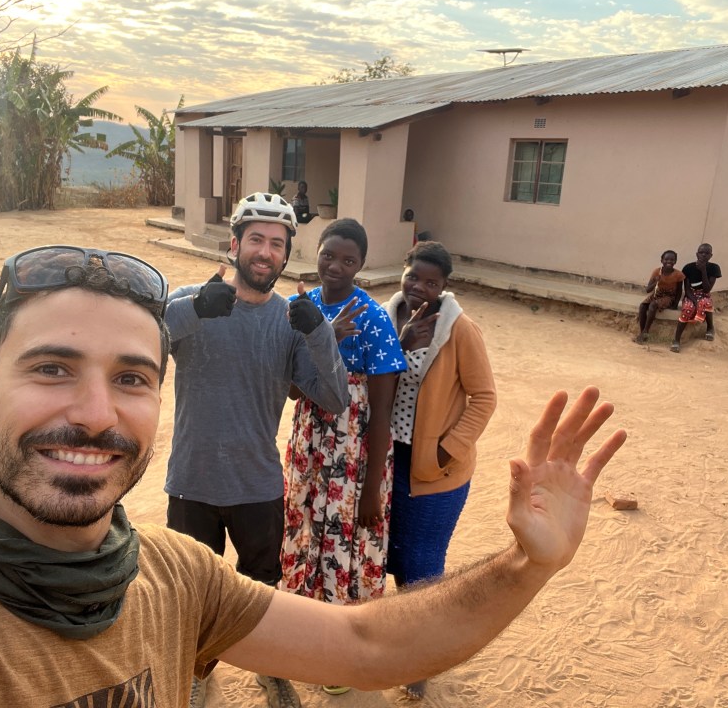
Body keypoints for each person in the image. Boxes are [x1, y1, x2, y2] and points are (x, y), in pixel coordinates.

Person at [0, 242, 627, 706]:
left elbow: (364, 641)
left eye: (131, 378)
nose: (92, 412)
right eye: (51, 368)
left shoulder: (174, 581)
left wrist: (528, 565)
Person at [164, 192, 349, 707]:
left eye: (276, 244)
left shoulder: (291, 322)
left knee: (262, 590)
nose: (265, 252)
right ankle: (199, 668)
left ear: (286, 256)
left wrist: (320, 335)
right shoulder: (191, 300)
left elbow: (334, 399)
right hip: (192, 481)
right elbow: (143, 346)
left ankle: (269, 669)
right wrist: (194, 311)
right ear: (234, 244)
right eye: (255, 240)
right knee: (194, 590)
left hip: (257, 484)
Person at [280, 219, 406, 695]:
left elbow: (379, 414)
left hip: (352, 455)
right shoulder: (304, 306)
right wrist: (324, 336)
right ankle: (307, 640)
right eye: (328, 255)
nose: (335, 266)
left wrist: (371, 488)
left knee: (343, 548)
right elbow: (293, 390)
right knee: (307, 534)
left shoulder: (373, 319)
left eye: (347, 260)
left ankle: (339, 657)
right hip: (309, 444)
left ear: (362, 265)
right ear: (316, 252)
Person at [383, 240, 498, 700]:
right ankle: (406, 637)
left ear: (445, 287)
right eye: (414, 277)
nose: (420, 288)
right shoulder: (385, 316)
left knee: (422, 564)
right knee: (392, 555)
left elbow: (484, 397)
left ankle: (422, 657)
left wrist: (450, 448)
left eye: (432, 282)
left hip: (438, 470)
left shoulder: (460, 330)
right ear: (403, 273)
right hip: (390, 459)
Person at [671, 243, 722, 353]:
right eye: (701, 252)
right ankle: (676, 340)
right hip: (691, 295)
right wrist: (694, 300)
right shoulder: (688, 268)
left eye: (707, 253)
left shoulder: (714, 268)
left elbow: (707, 289)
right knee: (688, 307)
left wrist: (703, 270)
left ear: (711, 255)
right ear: (696, 254)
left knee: (706, 302)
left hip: (704, 294)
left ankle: (710, 327)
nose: (703, 255)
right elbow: (687, 289)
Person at [636, 250, 685, 343]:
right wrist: (656, 281)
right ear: (662, 260)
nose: (669, 261)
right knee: (642, 306)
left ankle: (646, 331)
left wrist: (675, 304)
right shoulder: (657, 272)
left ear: (675, 261)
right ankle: (642, 332)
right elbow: (648, 290)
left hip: (669, 296)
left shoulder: (678, 275)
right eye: (666, 259)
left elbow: (679, 291)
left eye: (672, 259)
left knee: (653, 305)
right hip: (657, 294)